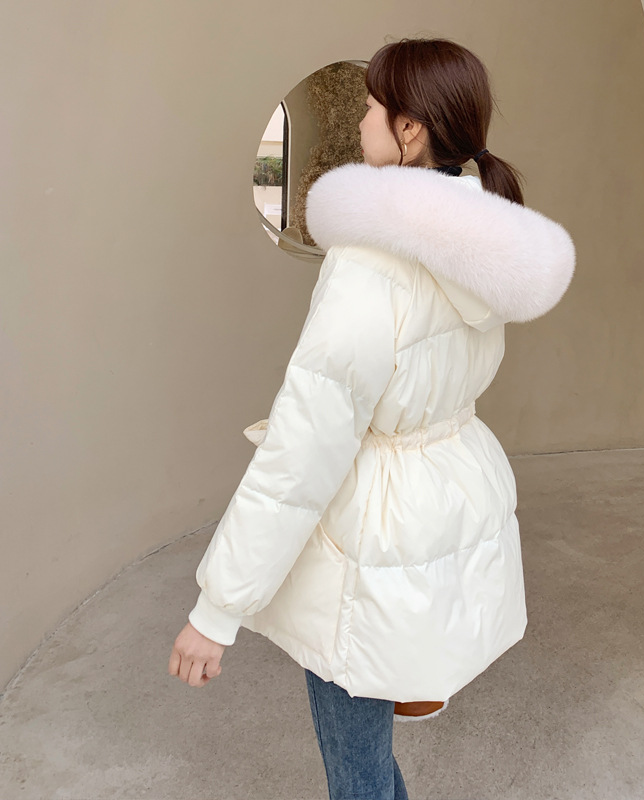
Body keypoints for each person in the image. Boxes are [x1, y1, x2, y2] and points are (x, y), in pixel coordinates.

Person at [168, 37, 576, 800]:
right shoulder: (483, 243)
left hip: (370, 534)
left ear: (410, 129)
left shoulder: (370, 262)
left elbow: (302, 457)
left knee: (355, 774)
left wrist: (215, 611)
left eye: (370, 106)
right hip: (443, 501)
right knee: (368, 758)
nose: (359, 121)